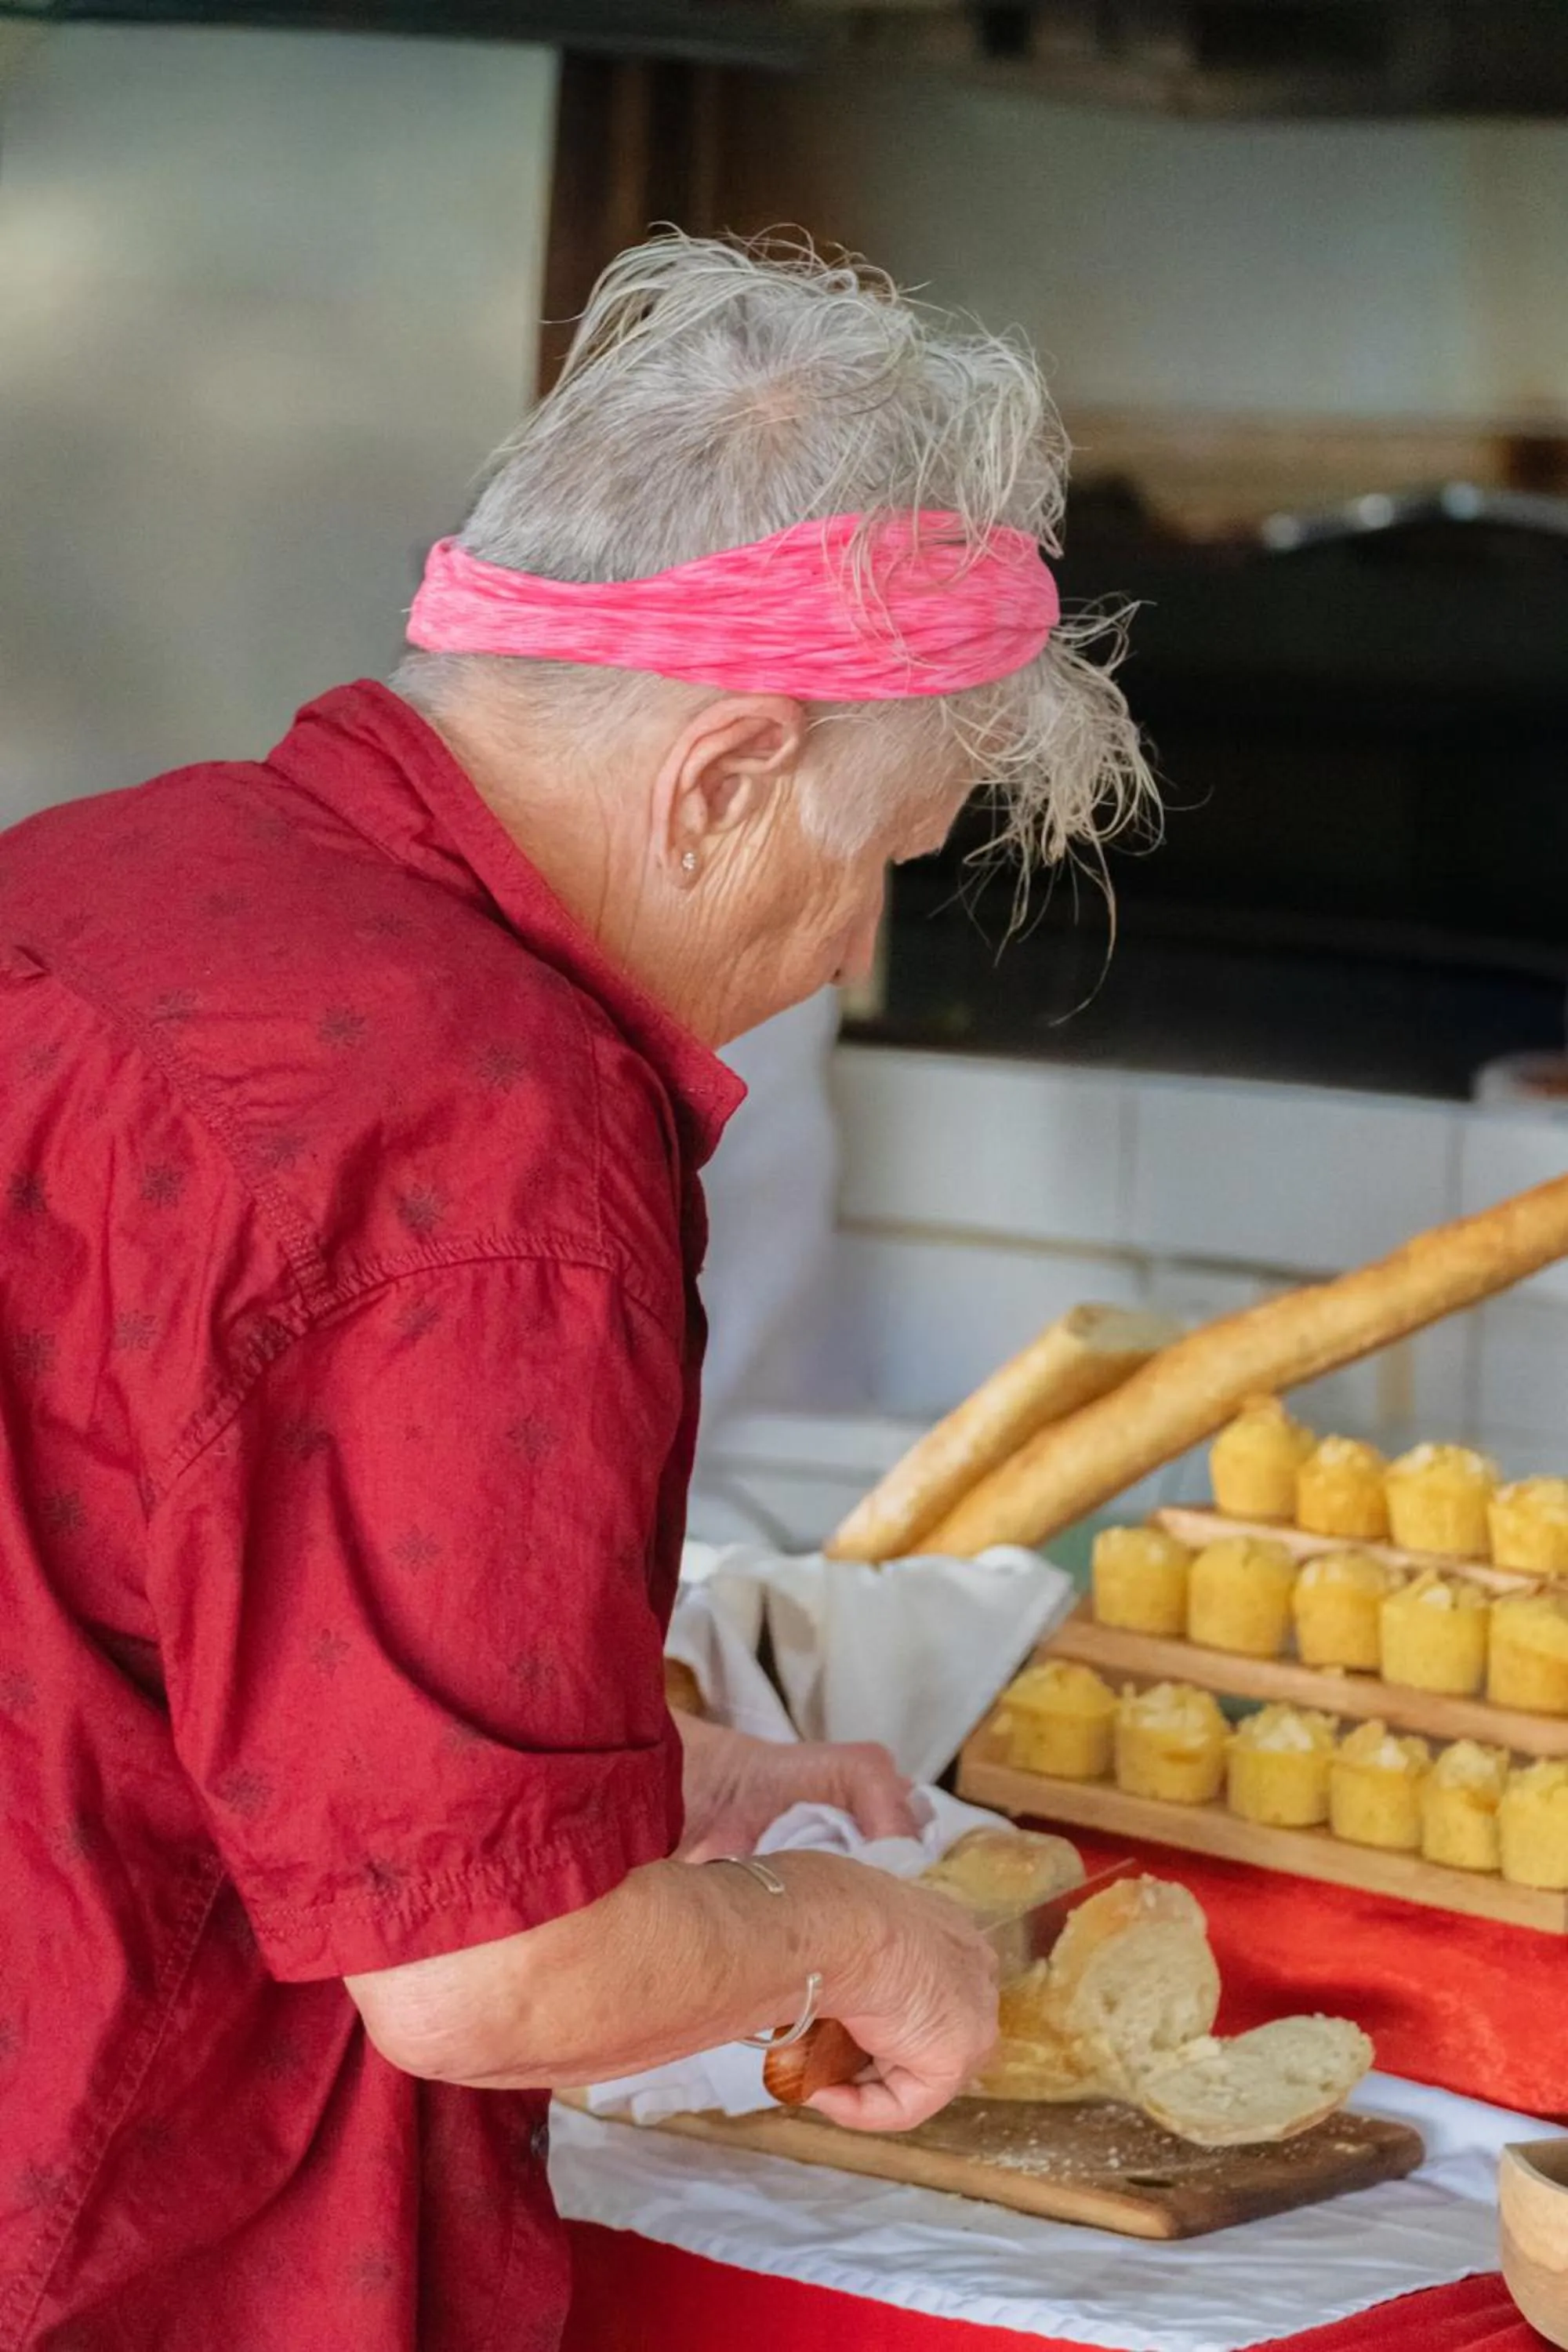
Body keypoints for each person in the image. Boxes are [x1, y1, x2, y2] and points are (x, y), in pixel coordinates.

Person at [0, 235, 1150, 2350]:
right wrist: (842, 1940)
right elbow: (482, 1987)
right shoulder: (494, 1131)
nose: (846, 959)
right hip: (119, 2235)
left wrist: (613, 1796)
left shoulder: (103, 869)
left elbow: (143, 1600)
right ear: (718, 781)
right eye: (880, 863)